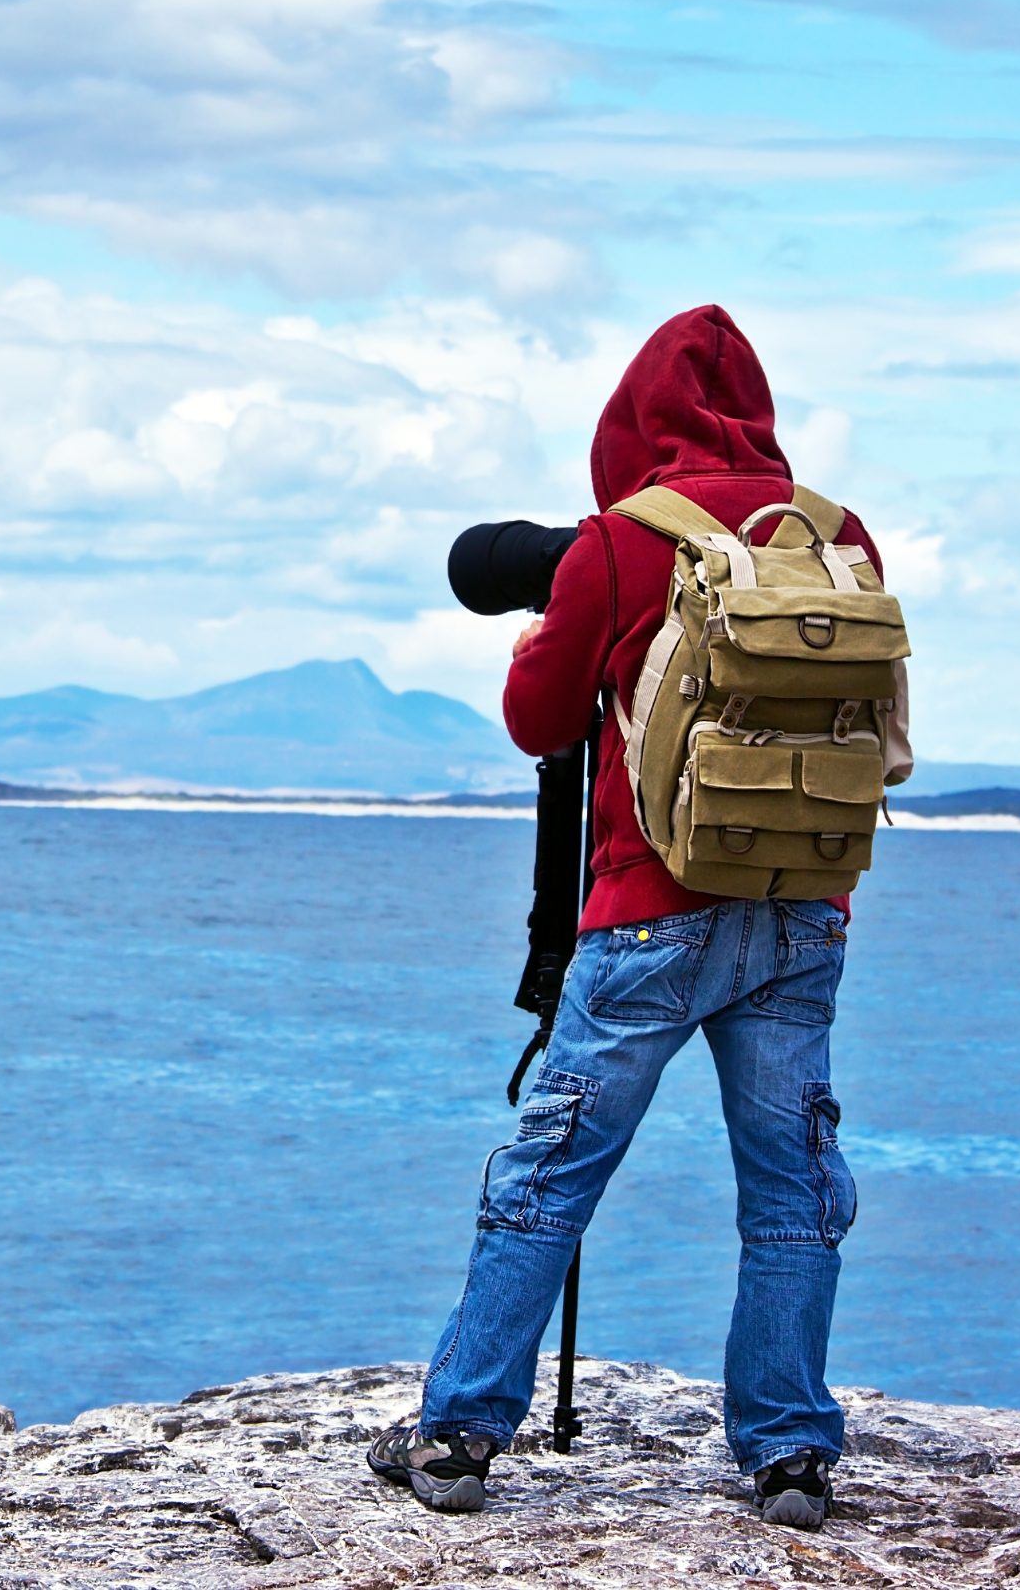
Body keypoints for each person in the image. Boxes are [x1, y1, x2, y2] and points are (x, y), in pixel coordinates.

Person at [368, 304, 884, 1529]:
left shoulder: (619, 543)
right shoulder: (835, 535)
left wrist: (554, 622)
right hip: (802, 909)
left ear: (630, 420)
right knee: (793, 1182)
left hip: (651, 916)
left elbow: (539, 721)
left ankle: (458, 1429)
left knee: (550, 1170)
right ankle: (789, 1450)